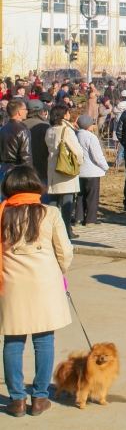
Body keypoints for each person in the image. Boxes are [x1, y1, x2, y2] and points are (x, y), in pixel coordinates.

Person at [0, 166, 72, 418]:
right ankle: (40, 397)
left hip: (12, 286)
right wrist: (58, 273)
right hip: (45, 283)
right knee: (44, 341)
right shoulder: (50, 212)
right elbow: (64, 250)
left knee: (13, 341)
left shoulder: (2, 214)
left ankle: (17, 399)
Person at [43, 105, 82, 238]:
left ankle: (50, 228)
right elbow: (77, 150)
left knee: (53, 199)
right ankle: (66, 230)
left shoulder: (50, 130)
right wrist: (78, 162)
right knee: (67, 200)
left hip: (53, 166)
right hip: (65, 167)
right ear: (63, 115)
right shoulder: (67, 130)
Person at [75, 115, 108, 226]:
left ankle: (78, 218)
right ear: (88, 126)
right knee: (92, 196)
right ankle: (90, 219)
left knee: (80, 195)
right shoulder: (91, 137)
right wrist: (105, 166)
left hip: (79, 170)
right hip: (92, 170)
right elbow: (97, 156)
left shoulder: (76, 135)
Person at [0, 99, 31, 183]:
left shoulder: (3, 128)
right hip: (17, 172)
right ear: (19, 112)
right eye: (25, 109)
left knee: (5, 195)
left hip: (3, 169)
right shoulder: (22, 130)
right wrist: (29, 175)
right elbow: (26, 155)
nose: (27, 111)